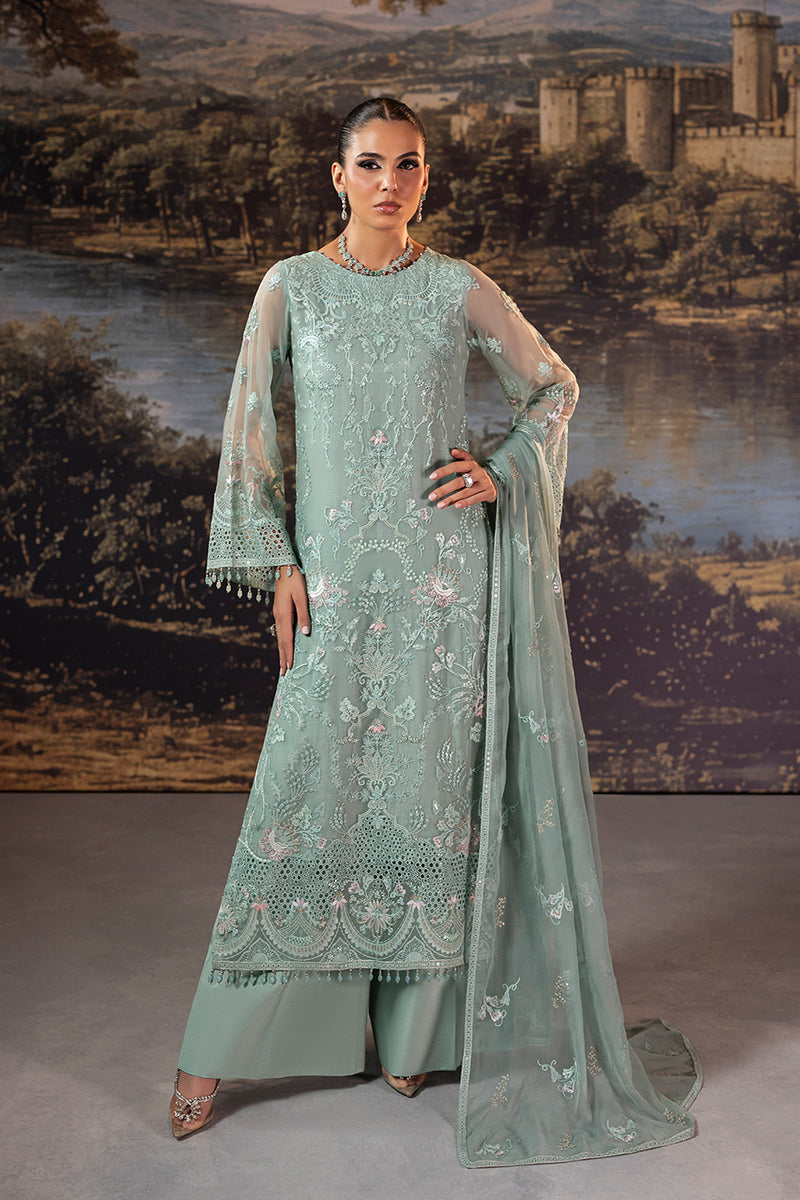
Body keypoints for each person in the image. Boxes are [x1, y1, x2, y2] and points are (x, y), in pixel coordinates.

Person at [169, 97, 701, 1167]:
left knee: (428, 799)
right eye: (370, 164)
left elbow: (553, 388)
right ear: (336, 176)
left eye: (408, 165)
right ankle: (216, 1050)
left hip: (441, 589)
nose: (390, 183)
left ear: (425, 177)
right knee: (303, 796)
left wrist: (498, 468)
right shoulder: (290, 288)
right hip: (332, 585)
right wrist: (278, 562)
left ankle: (417, 1036)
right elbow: (249, 431)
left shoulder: (456, 287)